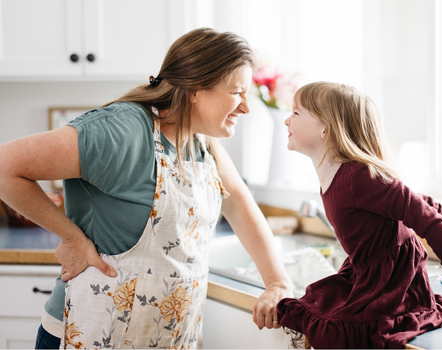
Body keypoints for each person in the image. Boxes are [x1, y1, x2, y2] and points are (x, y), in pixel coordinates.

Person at [0, 28, 292, 349]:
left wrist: (277, 283)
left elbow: (237, 203)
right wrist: (70, 237)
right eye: (237, 92)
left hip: (167, 337)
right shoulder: (122, 131)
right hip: (90, 331)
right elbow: (5, 166)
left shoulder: (201, 141)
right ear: (195, 89)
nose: (246, 107)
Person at [277, 82, 442, 349]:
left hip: (395, 276)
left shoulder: (356, 177)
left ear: (325, 128)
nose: (287, 120)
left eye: (296, 113)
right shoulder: (333, 174)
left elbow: (423, 216)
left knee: (346, 327)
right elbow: (400, 199)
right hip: (364, 267)